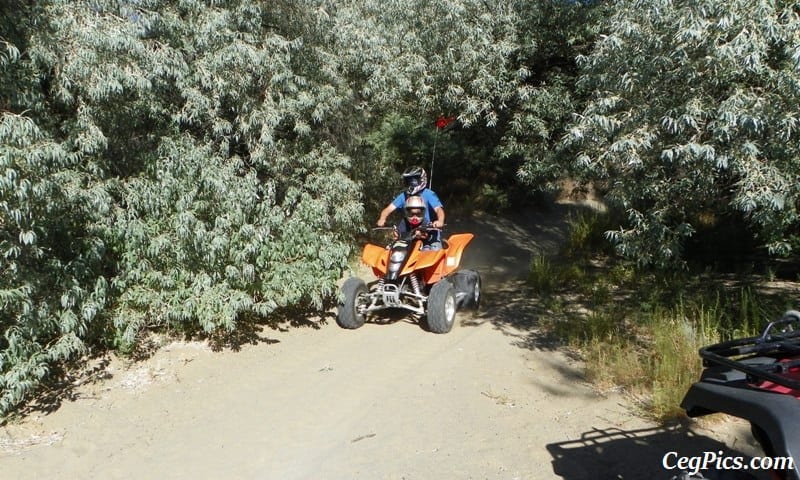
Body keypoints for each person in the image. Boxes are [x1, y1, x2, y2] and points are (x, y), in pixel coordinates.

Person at [376, 166, 445, 229]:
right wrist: (382, 219)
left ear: (422, 179)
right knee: (396, 242)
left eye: (414, 181)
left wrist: (440, 221)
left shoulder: (429, 194)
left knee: (435, 243)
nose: (411, 184)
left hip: (430, 234)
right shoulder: (404, 195)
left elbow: (439, 209)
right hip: (408, 234)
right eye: (409, 181)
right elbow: (388, 210)